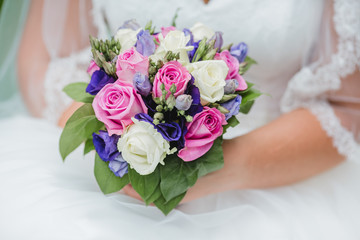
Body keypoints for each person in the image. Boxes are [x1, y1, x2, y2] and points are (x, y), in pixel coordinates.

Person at [0, 0, 359, 239]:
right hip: (107, 164)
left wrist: (211, 169)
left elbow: (347, 106)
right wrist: (120, 141)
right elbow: (47, 62)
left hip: (274, 166)